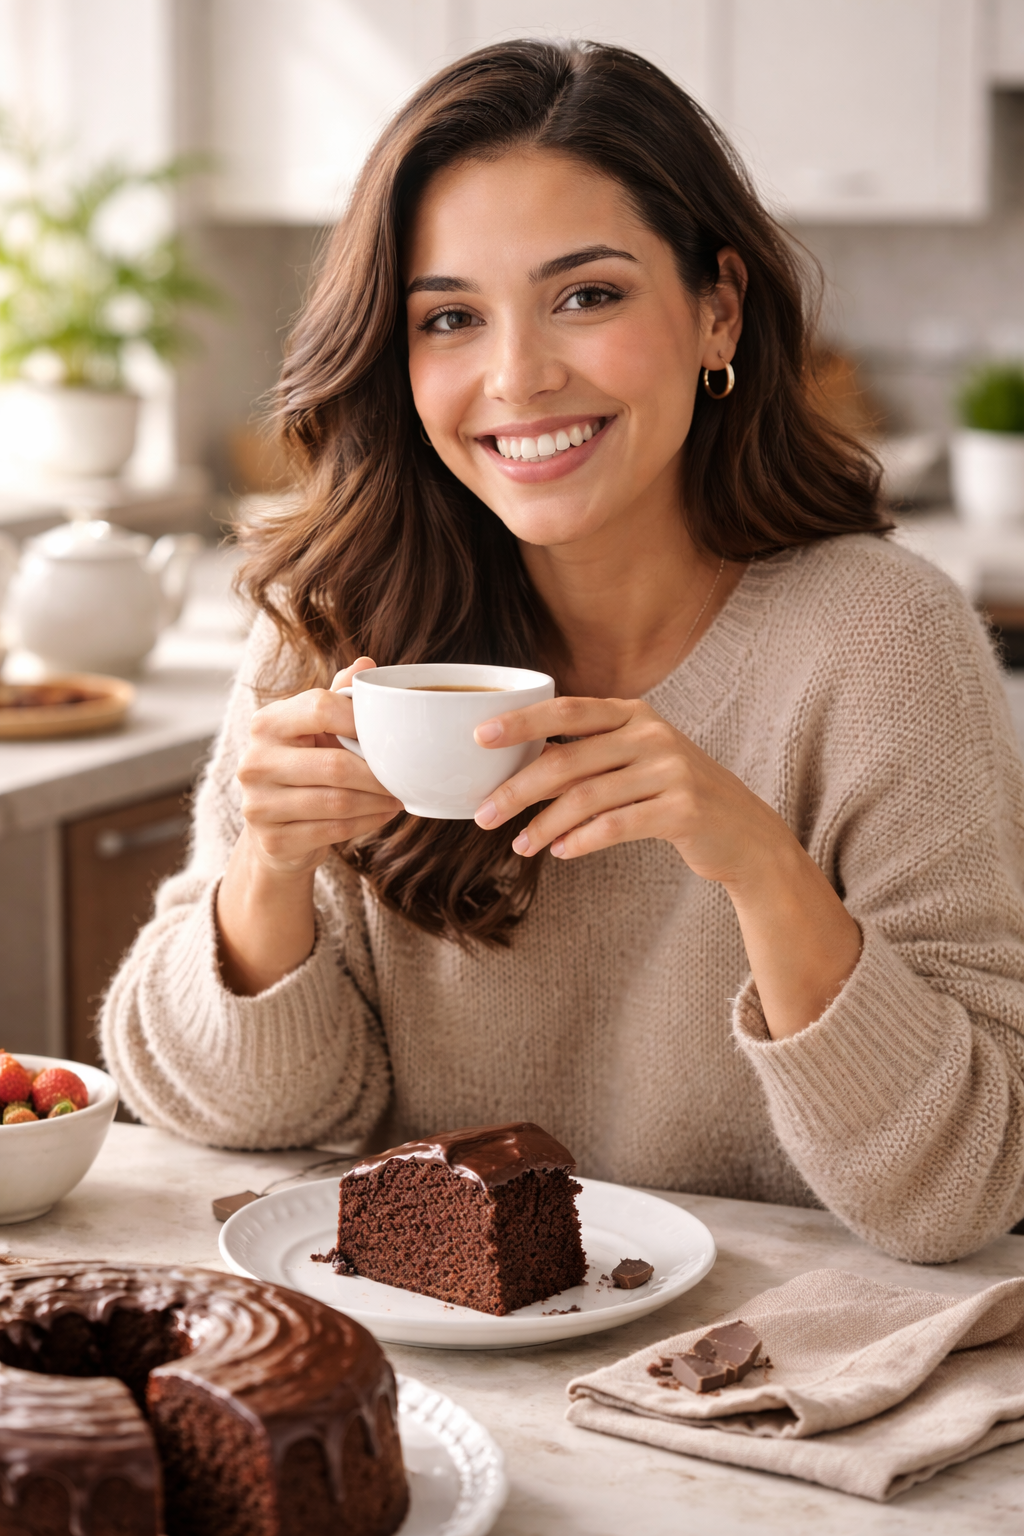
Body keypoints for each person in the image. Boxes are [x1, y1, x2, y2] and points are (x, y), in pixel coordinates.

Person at [102, 40, 1024, 1262]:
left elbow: (965, 1189)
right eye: (449, 317)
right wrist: (266, 877)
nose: (518, 377)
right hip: (407, 1370)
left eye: (586, 296)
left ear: (717, 310)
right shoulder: (334, 623)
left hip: (743, 1396)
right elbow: (239, 1119)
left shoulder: (881, 641)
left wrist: (758, 863)